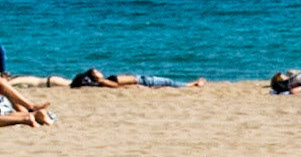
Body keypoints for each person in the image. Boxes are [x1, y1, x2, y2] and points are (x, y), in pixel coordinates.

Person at [70, 69, 207, 88]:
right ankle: (193, 84)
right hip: (142, 80)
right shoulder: (103, 81)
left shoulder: (103, 81)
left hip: (141, 80)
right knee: (169, 82)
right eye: (96, 71)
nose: (99, 71)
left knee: (168, 83)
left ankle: (192, 84)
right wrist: (137, 84)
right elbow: (117, 86)